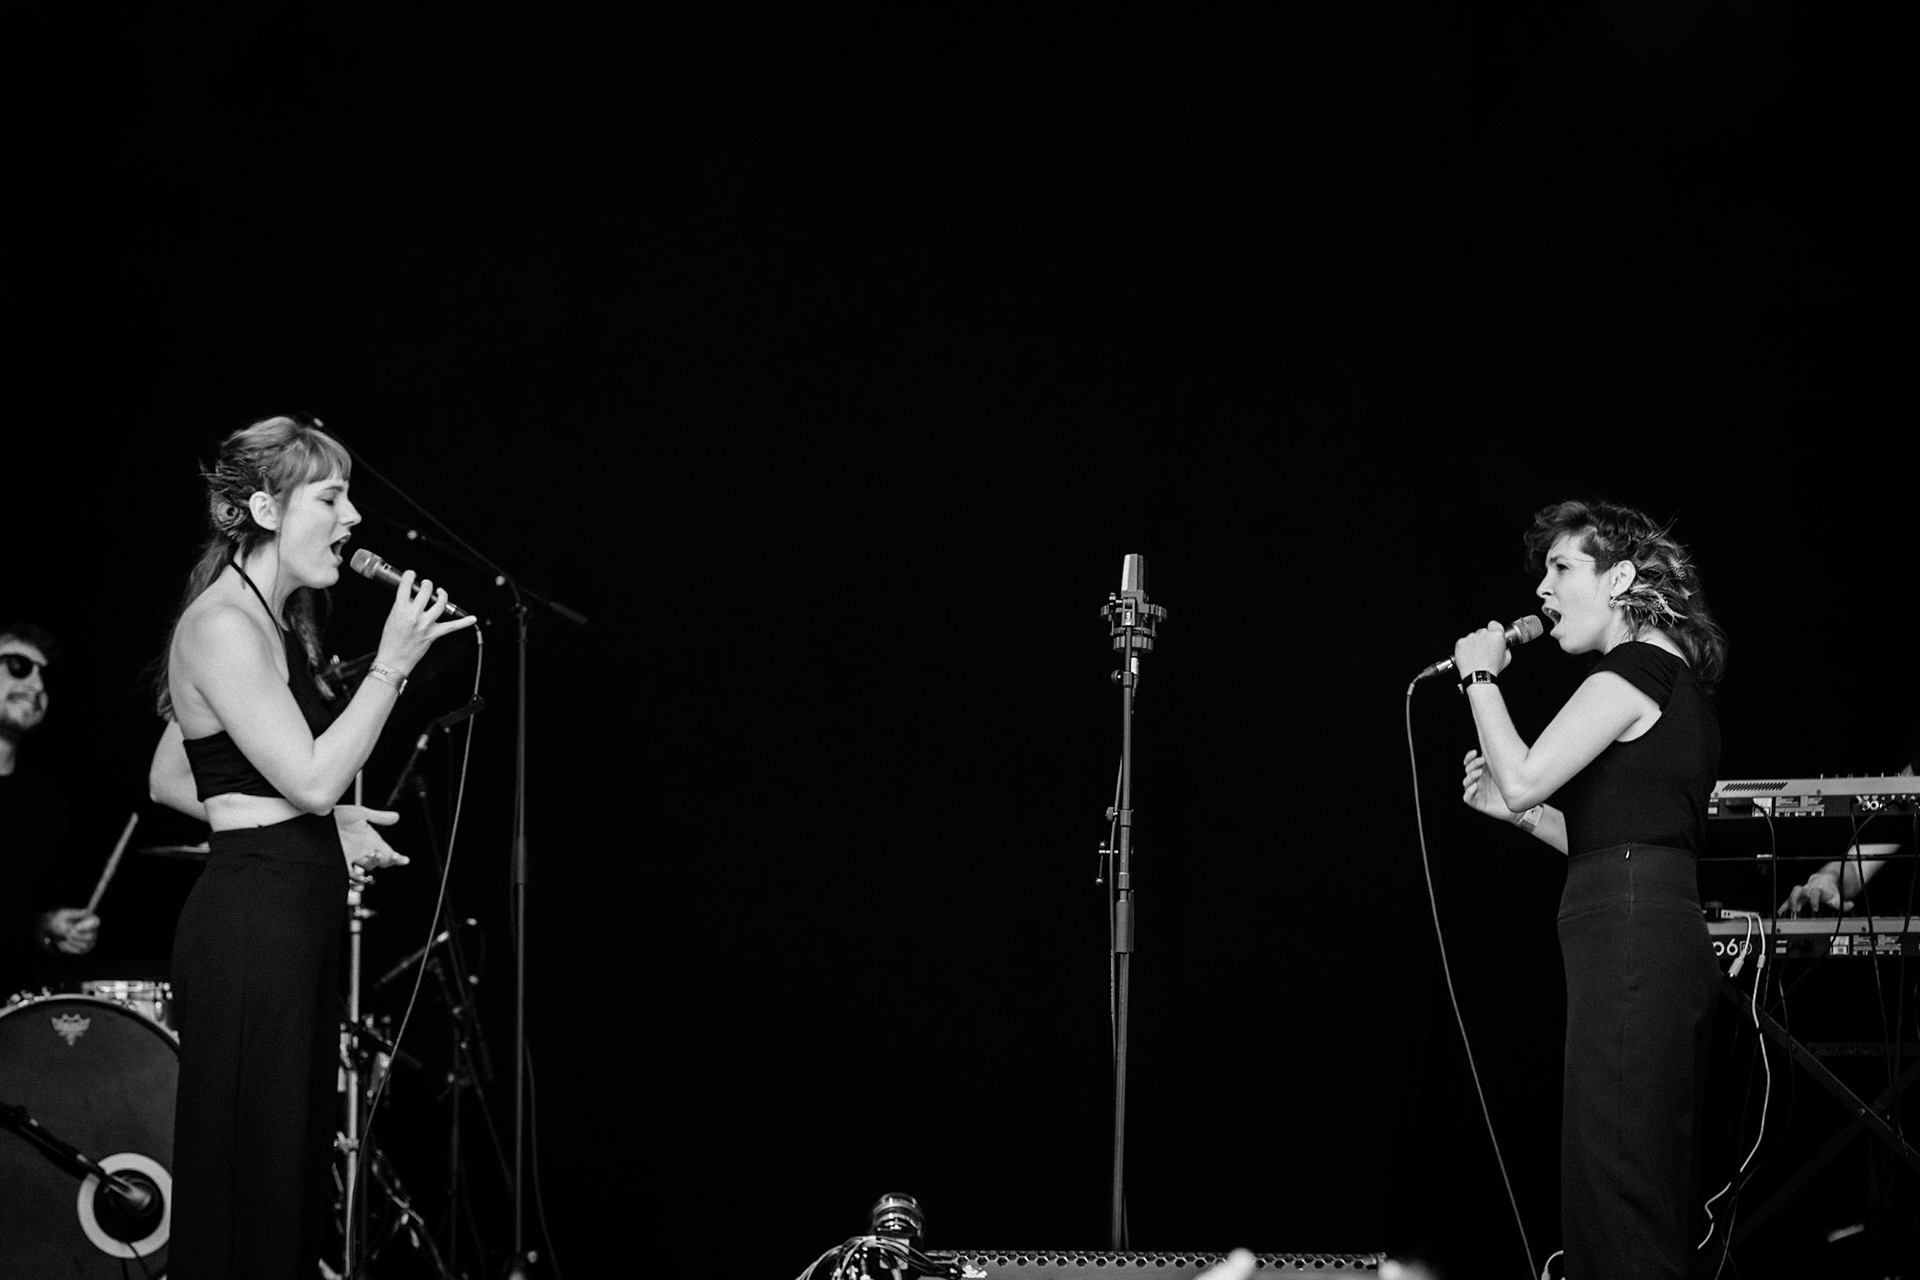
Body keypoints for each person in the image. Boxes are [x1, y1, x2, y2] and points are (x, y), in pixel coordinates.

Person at [146, 414, 474, 1280]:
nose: (354, 518)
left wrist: (328, 827)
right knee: (249, 1188)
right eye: (331, 497)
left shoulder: (272, 617)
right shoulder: (221, 626)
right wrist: (391, 667)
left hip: (282, 925)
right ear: (264, 507)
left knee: (282, 1183)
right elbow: (316, 777)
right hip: (252, 929)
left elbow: (178, 777)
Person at [1457, 498, 1729, 1280]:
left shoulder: (1636, 667)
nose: (1543, 589)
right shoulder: (1662, 675)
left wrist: (1480, 674)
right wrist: (1517, 815)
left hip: (1634, 932)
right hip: (1640, 917)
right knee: (1623, 1179)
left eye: (1562, 568)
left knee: (1618, 1190)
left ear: (1620, 579)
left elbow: (1524, 776)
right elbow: (1609, 834)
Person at [0, 621, 100, 998]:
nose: (37, 686)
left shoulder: (46, 800)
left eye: (45, 677)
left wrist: (52, 929)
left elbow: (22, 922)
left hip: (17, 1020)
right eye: (19, 667)